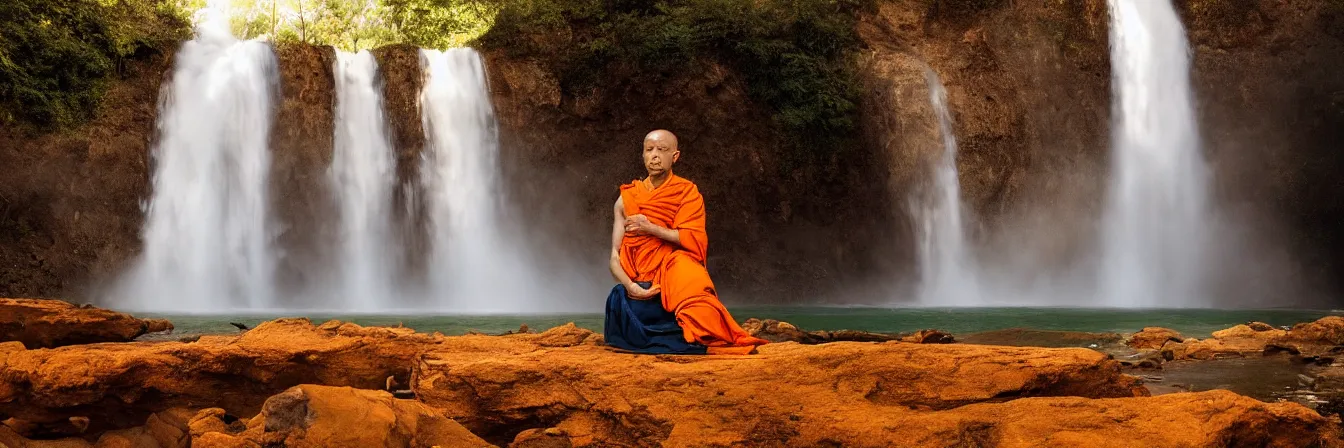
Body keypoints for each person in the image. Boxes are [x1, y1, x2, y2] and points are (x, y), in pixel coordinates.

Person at [602, 129, 768, 355]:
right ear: (642, 155)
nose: (655, 156)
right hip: (638, 276)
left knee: (692, 277)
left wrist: (649, 227)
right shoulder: (626, 198)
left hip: (673, 263)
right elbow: (614, 255)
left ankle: (708, 335)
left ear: (675, 156)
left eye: (662, 150)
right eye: (649, 150)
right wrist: (631, 287)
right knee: (618, 297)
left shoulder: (687, 192)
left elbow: (693, 237)